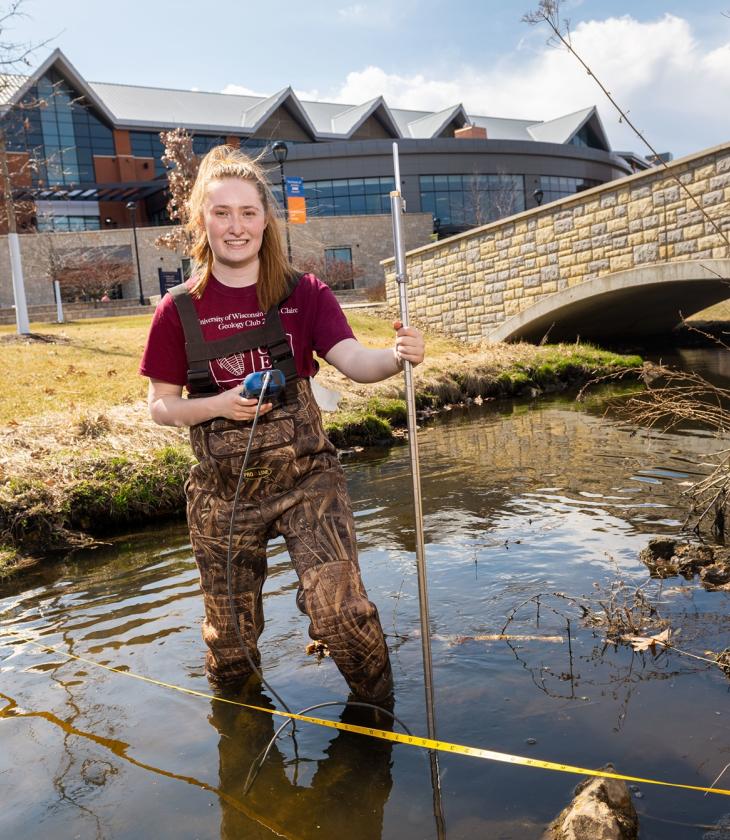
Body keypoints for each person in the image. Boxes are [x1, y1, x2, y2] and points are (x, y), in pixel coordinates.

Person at [139, 145, 424, 704]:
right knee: (230, 645)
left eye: (248, 212)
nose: (236, 226)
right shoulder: (177, 310)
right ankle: (242, 741)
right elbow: (161, 406)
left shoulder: (304, 294)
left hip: (306, 484)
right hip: (223, 496)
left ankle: (375, 731)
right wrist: (218, 405)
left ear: (266, 220)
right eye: (221, 212)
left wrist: (396, 355)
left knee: (341, 613)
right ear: (202, 219)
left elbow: (357, 363)